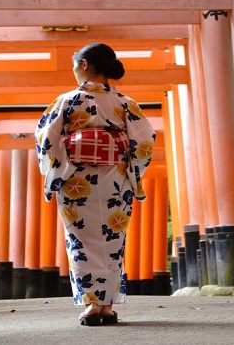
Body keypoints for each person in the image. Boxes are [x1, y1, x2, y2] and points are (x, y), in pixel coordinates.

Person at [34, 42, 156, 326]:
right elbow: (145, 141)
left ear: (85, 65)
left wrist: (57, 171)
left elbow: (46, 139)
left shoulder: (66, 101)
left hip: (75, 179)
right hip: (115, 180)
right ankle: (108, 307)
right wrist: (131, 171)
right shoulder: (125, 103)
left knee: (80, 241)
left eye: (74, 65)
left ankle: (91, 305)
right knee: (112, 241)